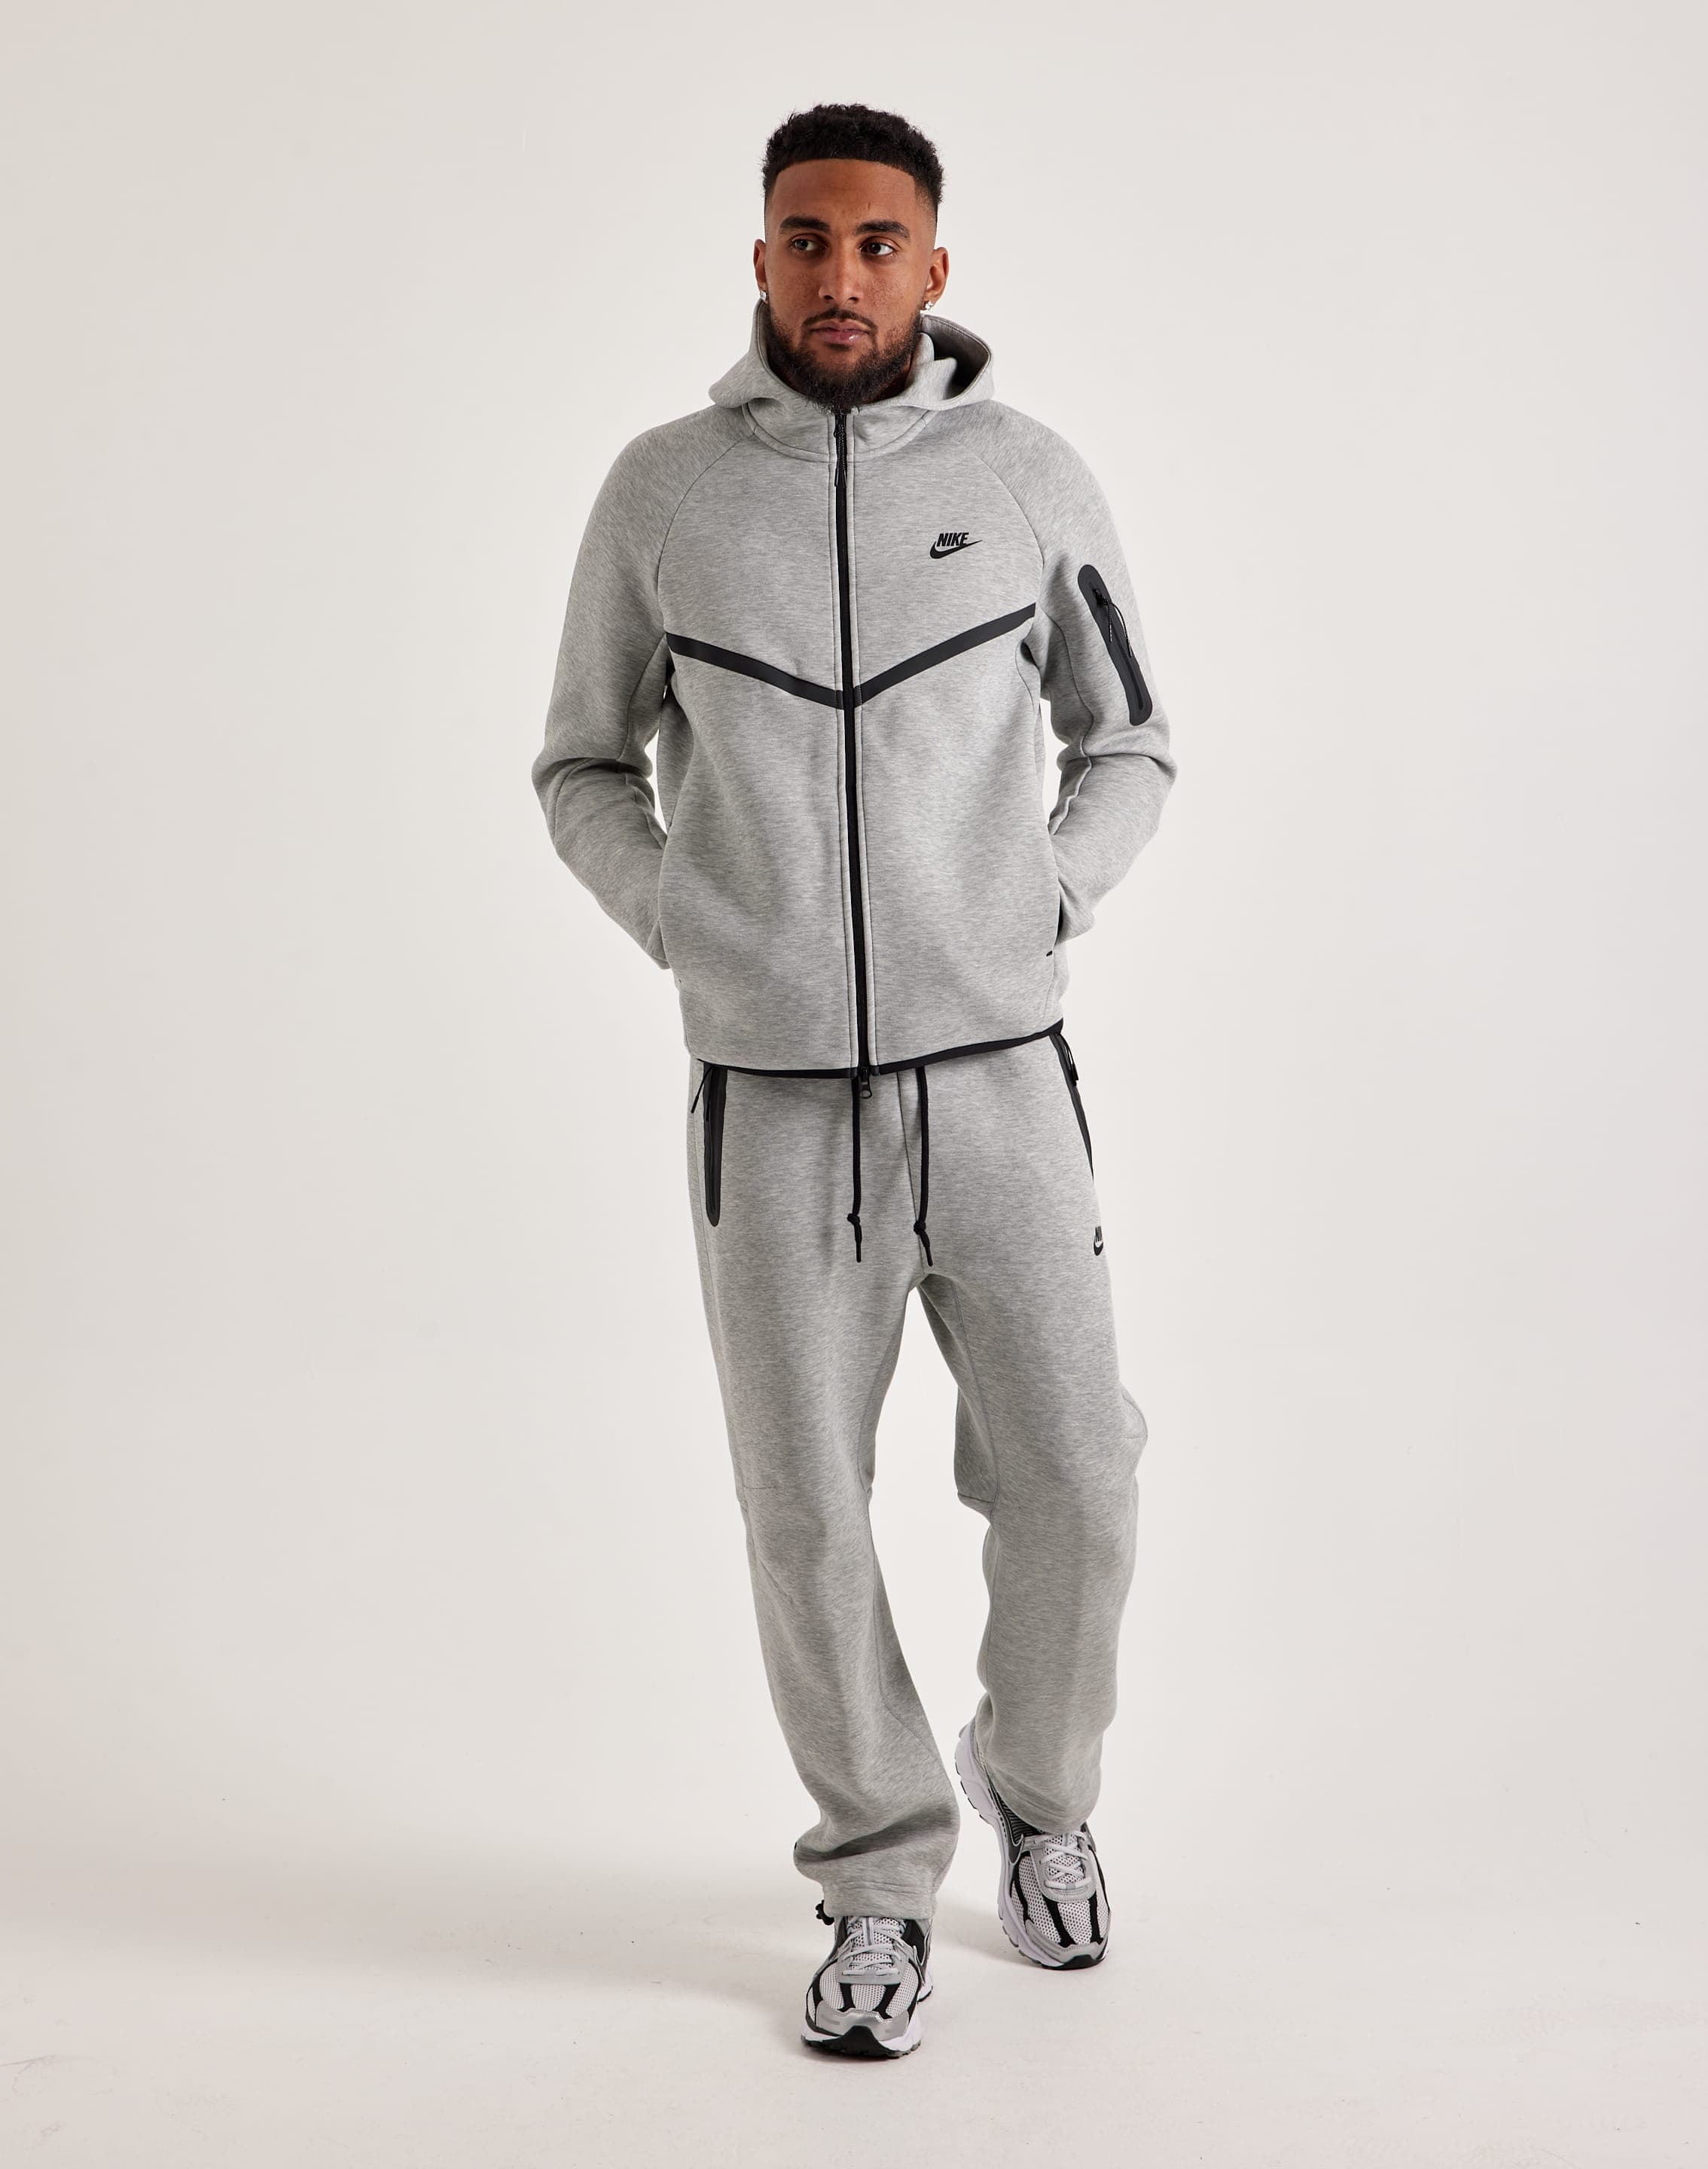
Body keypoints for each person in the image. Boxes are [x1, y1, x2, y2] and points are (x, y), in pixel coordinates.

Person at [531, 102, 1176, 2060]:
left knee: (1076, 1475)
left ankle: (1041, 1794)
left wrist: (1043, 896)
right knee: (805, 1509)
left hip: (1000, 1078)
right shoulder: (662, 493)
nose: (840, 275)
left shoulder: (1023, 474)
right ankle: (878, 1883)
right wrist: (687, 922)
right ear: (761, 258)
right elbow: (580, 763)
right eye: (806, 240)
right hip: (773, 1098)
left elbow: (1130, 739)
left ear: (932, 267)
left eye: (876, 243)